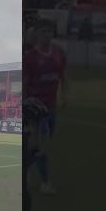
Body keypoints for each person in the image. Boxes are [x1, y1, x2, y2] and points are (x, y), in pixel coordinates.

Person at [26, 24, 67, 196]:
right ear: (37, 34)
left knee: (42, 142)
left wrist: (64, 95)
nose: (46, 34)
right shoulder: (30, 57)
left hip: (51, 106)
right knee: (42, 143)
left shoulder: (58, 53)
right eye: (43, 30)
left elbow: (63, 75)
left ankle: (26, 167)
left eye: (49, 31)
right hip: (35, 106)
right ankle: (44, 182)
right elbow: (24, 80)